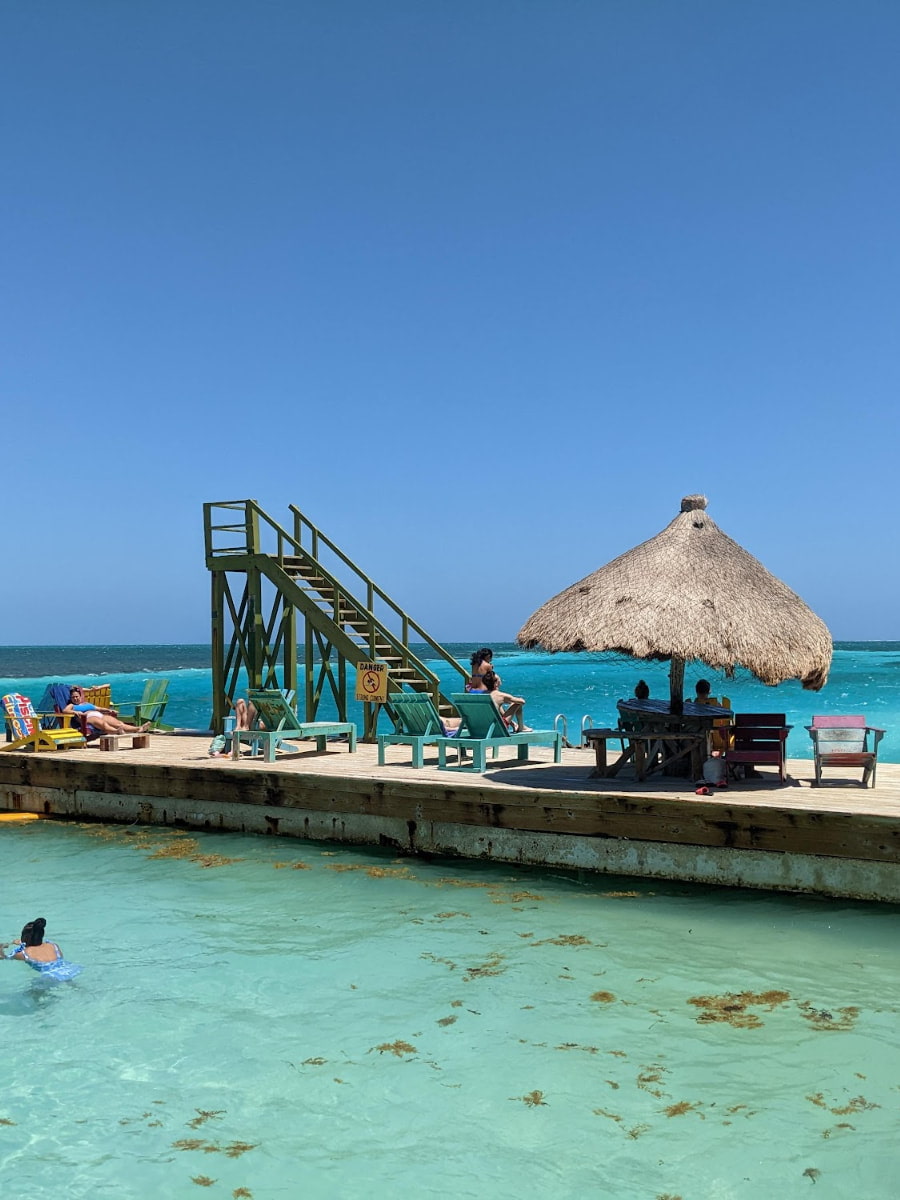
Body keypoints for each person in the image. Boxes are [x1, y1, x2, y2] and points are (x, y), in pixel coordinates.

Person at [1, 918, 82, 982]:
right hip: (68, 970)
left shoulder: (23, 954)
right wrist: (22, 943)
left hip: (49, 977)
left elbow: (3, 957)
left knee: (32, 994)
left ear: (23, 938)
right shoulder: (53, 946)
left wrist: (1, 947)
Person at [65, 686, 150, 736]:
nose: (75, 698)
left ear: (80, 696)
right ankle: (116, 731)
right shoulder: (72, 705)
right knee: (103, 724)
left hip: (98, 714)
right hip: (87, 718)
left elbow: (99, 709)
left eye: (77, 696)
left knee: (118, 723)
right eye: (73, 697)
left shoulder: (86, 704)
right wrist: (75, 712)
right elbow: (65, 710)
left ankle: (138, 729)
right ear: (71, 698)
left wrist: (109, 710)